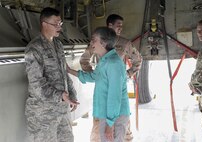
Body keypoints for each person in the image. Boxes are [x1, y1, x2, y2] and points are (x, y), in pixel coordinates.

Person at [80, 14, 142, 142]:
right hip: (104, 90)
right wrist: (96, 76)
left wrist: (127, 74)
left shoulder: (125, 43)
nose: (120, 28)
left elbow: (138, 59)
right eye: (118, 25)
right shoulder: (98, 42)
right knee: (99, 131)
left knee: (123, 132)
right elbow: (84, 59)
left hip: (118, 89)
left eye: (121, 26)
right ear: (109, 26)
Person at [24, 7, 79, 142]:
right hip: (43, 115)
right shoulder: (34, 49)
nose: (59, 27)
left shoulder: (58, 45)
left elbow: (64, 73)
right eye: (56, 24)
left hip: (61, 111)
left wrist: (72, 94)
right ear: (44, 24)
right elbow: (37, 84)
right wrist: (60, 95)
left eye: (60, 24)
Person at [68, 26, 130, 142]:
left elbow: (114, 96)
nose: (91, 43)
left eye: (94, 40)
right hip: (107, 116)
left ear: (103, 43)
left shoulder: (113, 63)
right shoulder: (105, 60)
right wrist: (69, 71)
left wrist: (110, 124)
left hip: (114, 117)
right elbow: (93, 76)